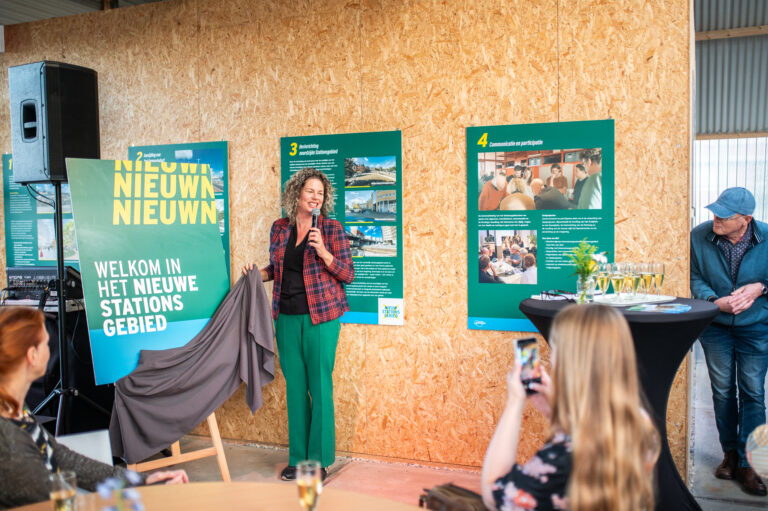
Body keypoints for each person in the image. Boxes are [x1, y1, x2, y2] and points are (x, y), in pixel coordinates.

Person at [0, 308, 187, 509]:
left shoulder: (13, 408)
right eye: (47, 343)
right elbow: (51, 503)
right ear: (32, 355)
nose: (51, 348)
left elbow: (63, 458)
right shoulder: (9, 441)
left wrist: (140, 482)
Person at [482, 304, 659, 511]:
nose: (552, 359)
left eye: (555, 350)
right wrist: (556, 413)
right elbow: (589, 435)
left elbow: (494, 492)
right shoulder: (639, 422)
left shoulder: (559, 462)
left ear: (570, 361)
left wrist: (514, 402)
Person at [243, 167, 354, 481]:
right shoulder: (279, 228)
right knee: (295, 388)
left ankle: (318, 462)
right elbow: (276, 269)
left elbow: (348, 273)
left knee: (319, 386)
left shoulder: (331, 229)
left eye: (320, 193)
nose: (316, 197)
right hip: (286, 317)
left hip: (321, 318)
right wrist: (256, 274)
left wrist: (323, 252)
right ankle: (298, 459)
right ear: (297, 194)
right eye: (310, 191)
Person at [690, 187, 768, 496]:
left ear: (746, 220)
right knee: (722, 391)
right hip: (716, 327)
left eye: (724, 215)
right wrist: (712, 300)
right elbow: (695, 276)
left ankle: (750, 465)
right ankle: (730, 454)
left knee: (753, 393)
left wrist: (760, 287)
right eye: (715, 212)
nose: (716, 219)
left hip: (756, 327)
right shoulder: (700, 236)